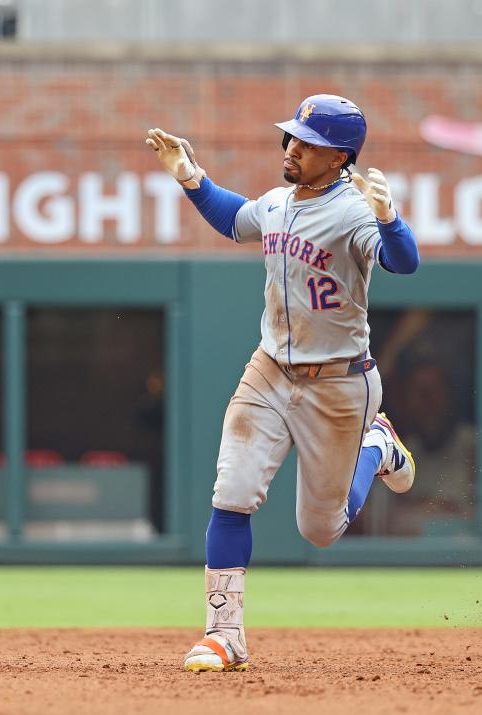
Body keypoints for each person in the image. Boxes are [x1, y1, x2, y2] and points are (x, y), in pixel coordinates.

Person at [146, 94, 421, 672]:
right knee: (232, 491)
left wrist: (391, 221)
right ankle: (225, 635)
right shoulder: (277, 203)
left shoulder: (354, 212)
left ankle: (378, 445)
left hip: (340, 384)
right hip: (270, 370)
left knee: (320, 530)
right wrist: (190, 177)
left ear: (339, 157)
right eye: (291, 137)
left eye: (307, 143)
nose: (292, 148)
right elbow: (233, 218)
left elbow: (404, 263)